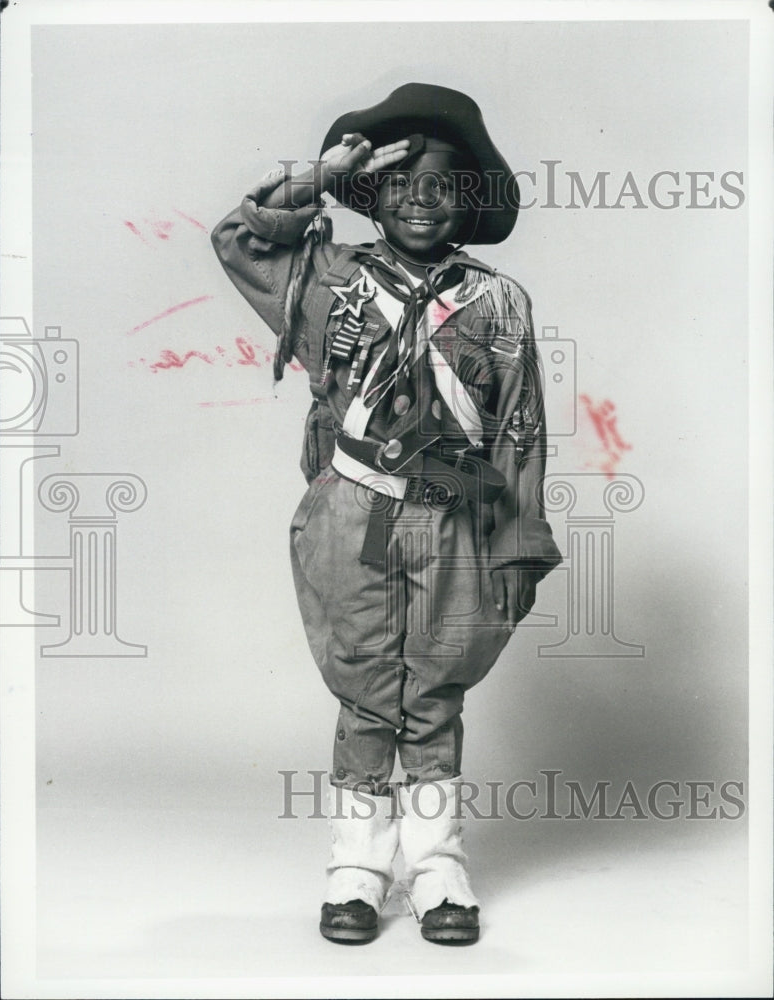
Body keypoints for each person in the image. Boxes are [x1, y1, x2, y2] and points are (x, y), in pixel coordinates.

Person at [211, 82, 562, 945]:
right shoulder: (328, 275)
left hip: (454, 519)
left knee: (433, 693)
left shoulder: (497, 301)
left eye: (441, 184)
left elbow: (521, 426)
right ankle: (357, 871)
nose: (418, 199)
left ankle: (439, 867)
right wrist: (320, 176)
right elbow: (240, 237)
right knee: (367, 692)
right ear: (369, 193)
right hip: (349, 506)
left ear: (467, 203)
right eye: (399, 183)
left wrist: (518, 541)